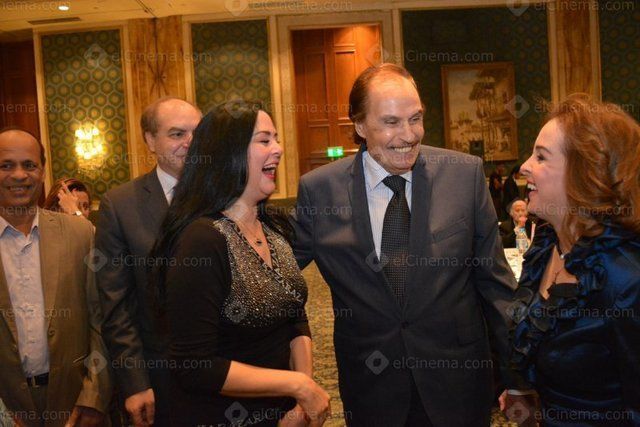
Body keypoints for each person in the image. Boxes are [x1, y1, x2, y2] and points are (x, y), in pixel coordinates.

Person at [291, 63, 520, 426]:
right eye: (391, 122)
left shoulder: (463, 176)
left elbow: (496, 285)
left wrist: (518, 378)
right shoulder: (320, 191)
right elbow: (278, 280)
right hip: (371, 386)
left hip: (458, 383)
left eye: (416, 119)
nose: (409, 135)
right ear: (360, 125)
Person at [150, 100, 330, 426]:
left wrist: (301, 397)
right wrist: (297, 385)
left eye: (276, 138)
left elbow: (294, 313)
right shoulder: (202, 240)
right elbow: (195, 365)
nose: (279, 149)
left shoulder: (274, 227)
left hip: (283, 413)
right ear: (227, 153)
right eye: (264, 140)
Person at [505, 94, 640, 425]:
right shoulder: (546, 247)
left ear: (584, 173)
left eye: (541, 156)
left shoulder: (623, 279)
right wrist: (526, 388)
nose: (524, 166)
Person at [95, 97, 201, 427]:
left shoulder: (226, 196)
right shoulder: (120, 205)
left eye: (197, 133)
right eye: (177, 134)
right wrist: (135, 382)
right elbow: (117, 306)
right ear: (150, 140)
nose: (190, 143)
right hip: (161, 376)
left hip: (231, 370)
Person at [0, 128, 111, 426]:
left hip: (74, 401)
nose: (19, 175)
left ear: (42, 171)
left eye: (29, 165)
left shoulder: (79, 233)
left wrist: (93, 397)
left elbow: (100, 320)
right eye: (6, 165)